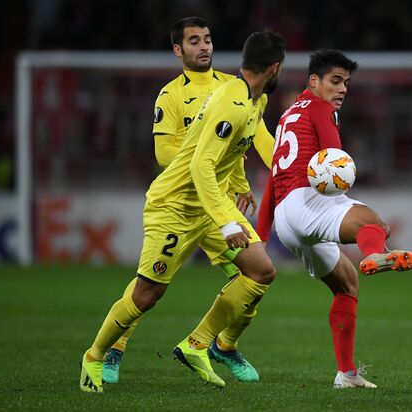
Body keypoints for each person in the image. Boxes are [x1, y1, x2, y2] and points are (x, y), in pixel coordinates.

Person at [79, 30, 286, 393]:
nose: (204, 45)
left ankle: (198, 344)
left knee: (261, 271)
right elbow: (200, 167)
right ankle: (96, 356)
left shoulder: (256, 100)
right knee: (146, 295)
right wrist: (225, 223)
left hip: (211, 203)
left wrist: (264, 179)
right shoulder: (230, 104)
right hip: (175, 206)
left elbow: (247, 144)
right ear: (275, 67)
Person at [256, 49, 412, 389]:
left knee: (347, 285)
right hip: (308, 202)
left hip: (288, 221)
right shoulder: (321, 109)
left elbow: (273, 178)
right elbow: (334, 161)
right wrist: (344, 183)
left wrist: (261, 236)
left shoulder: (287, 115)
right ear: (313, 81)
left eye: (346, 82)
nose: (342, 88)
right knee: (373, 223)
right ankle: (375, 252)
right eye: (335, 81)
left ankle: (346, 374)